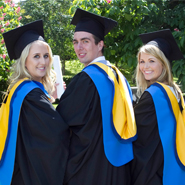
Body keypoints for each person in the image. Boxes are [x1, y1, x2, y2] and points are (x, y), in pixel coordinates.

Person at [56, 8, 137, 185]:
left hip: (89, 169)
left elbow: (60, 122)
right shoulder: (118, 77)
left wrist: (49, 98)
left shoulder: (86, 80)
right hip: (119, 167)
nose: (79, 47)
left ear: (100, 44)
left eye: (85, 41)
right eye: (75, 42)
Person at [0, 20, 69, 185]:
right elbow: (56, 133)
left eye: (46, 56)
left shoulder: (17, 89)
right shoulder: (31, 95)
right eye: (36, 57)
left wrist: (49, 97)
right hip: (27, 174)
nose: (43, 62)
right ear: (25, 61)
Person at [131, 29, 185, 185]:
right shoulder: (175, 91)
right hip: (173, 168)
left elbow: (137, 136)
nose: (145, 67)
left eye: (152, 61)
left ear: (164, 64)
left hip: (153, 173)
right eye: (142, 61)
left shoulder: (153, 95)